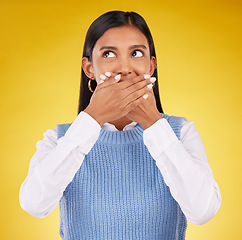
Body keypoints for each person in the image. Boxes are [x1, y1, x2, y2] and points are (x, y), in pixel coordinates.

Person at [19, 10, 221, 240]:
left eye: (136, 53)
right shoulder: (60, 139)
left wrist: (154, 123)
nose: (124, 68)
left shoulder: (181, 133)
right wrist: (91, 118)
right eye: (108, 54)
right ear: (89, 69)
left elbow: (203, 211)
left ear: (151, 66)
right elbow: (34, 204)